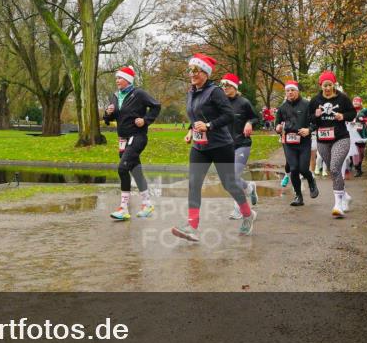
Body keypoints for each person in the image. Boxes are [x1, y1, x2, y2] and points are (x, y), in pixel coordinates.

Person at [171, 54, 257, 241]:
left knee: (229, 185)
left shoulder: (215, 92)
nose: (191, 74)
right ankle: (192, 226)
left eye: (195, 70)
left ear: (205, 73)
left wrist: (209, 126)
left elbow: (229, 116)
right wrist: (189, 131)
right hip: (200, 146)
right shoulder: (191, 92)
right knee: (194, 183)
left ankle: (248, 214)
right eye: (190, 70)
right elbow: (195, 117)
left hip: (220, 145)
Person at [102, 66, 161, 220]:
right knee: (135, 171)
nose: (117, 81)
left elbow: (156, 106)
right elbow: (109, 119)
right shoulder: (115, 96)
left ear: (128, 80)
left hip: (138, 136)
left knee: (122, 168)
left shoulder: (138, 94)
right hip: (123, 140)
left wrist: (145, 120)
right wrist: (107, 114)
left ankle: (123, 208)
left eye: (119, 78)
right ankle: (147, 204)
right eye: (116, 78)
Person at [309, 71, 357, 218]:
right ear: (321, 86)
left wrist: (343, 116)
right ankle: (345, 196)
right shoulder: (315, 100)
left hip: (341, 138)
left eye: (330, 85)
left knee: (335, 167)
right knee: (333, 170)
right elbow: (309, 119)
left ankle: (337, 205)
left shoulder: (342, 98)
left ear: (333, 85)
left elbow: (352, 113)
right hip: (323, 140)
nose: (328, 88)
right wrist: (315, 116)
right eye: (325, 85)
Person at [220, 73, 260, 219]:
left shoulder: (244, 102)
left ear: (235, 87)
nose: (225, 88)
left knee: (233, 176)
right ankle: (249, 187)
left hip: (242, 144)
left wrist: (250, 123)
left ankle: (238, 209)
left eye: (228, 86)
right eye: (223, 86)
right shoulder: (220, 103)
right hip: (225, 146)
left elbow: (256, 117)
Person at [275, 80, 318, 206]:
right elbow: (277, 123)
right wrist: (277, 128)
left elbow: (315, 123)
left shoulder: (307, 105)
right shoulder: (283, 107)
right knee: (293, 168)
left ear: (297, 91)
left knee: (303, 169)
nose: (290, 93)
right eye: (287, 91)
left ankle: (311, 180)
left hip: (303, 141)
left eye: (292, 90)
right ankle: (298, 196)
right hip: (289, 142)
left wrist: (308, 130)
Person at [351, 96, 367, 177]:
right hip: (352, 133)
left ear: (361, 102)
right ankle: (357, 168)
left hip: (362, 133)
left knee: (361, 152)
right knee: (355, 151)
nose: (355, 102)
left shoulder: (365, 110)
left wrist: (364, 120)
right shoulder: (349, 110)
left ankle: (359, 167)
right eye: (354, 101)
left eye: (357, 101)